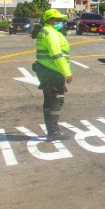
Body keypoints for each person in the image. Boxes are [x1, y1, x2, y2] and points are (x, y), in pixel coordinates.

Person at [33, 8, 73, 141]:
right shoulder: (51, 34)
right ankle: (53, 131)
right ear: (50, 20)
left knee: (49, 101)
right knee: (56, 101)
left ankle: (51, 129)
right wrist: (67, 73)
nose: (61, 22)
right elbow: (56, 55)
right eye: (58, 20)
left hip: (45, 70)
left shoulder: (45, 31)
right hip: (53, 71)